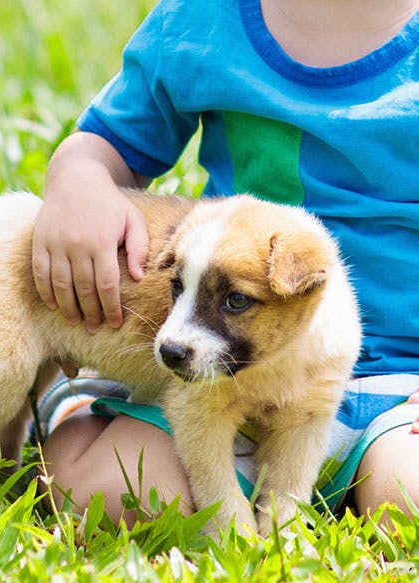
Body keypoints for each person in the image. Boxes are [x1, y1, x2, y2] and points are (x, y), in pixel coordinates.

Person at [32, 0, 419, 526]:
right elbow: (104, 145)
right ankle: (82, 409)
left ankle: (337, 480)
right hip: (221, 374)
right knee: (118, 496)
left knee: (408, 506)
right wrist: (78, 178)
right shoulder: (202, 16)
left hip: (399, 384)